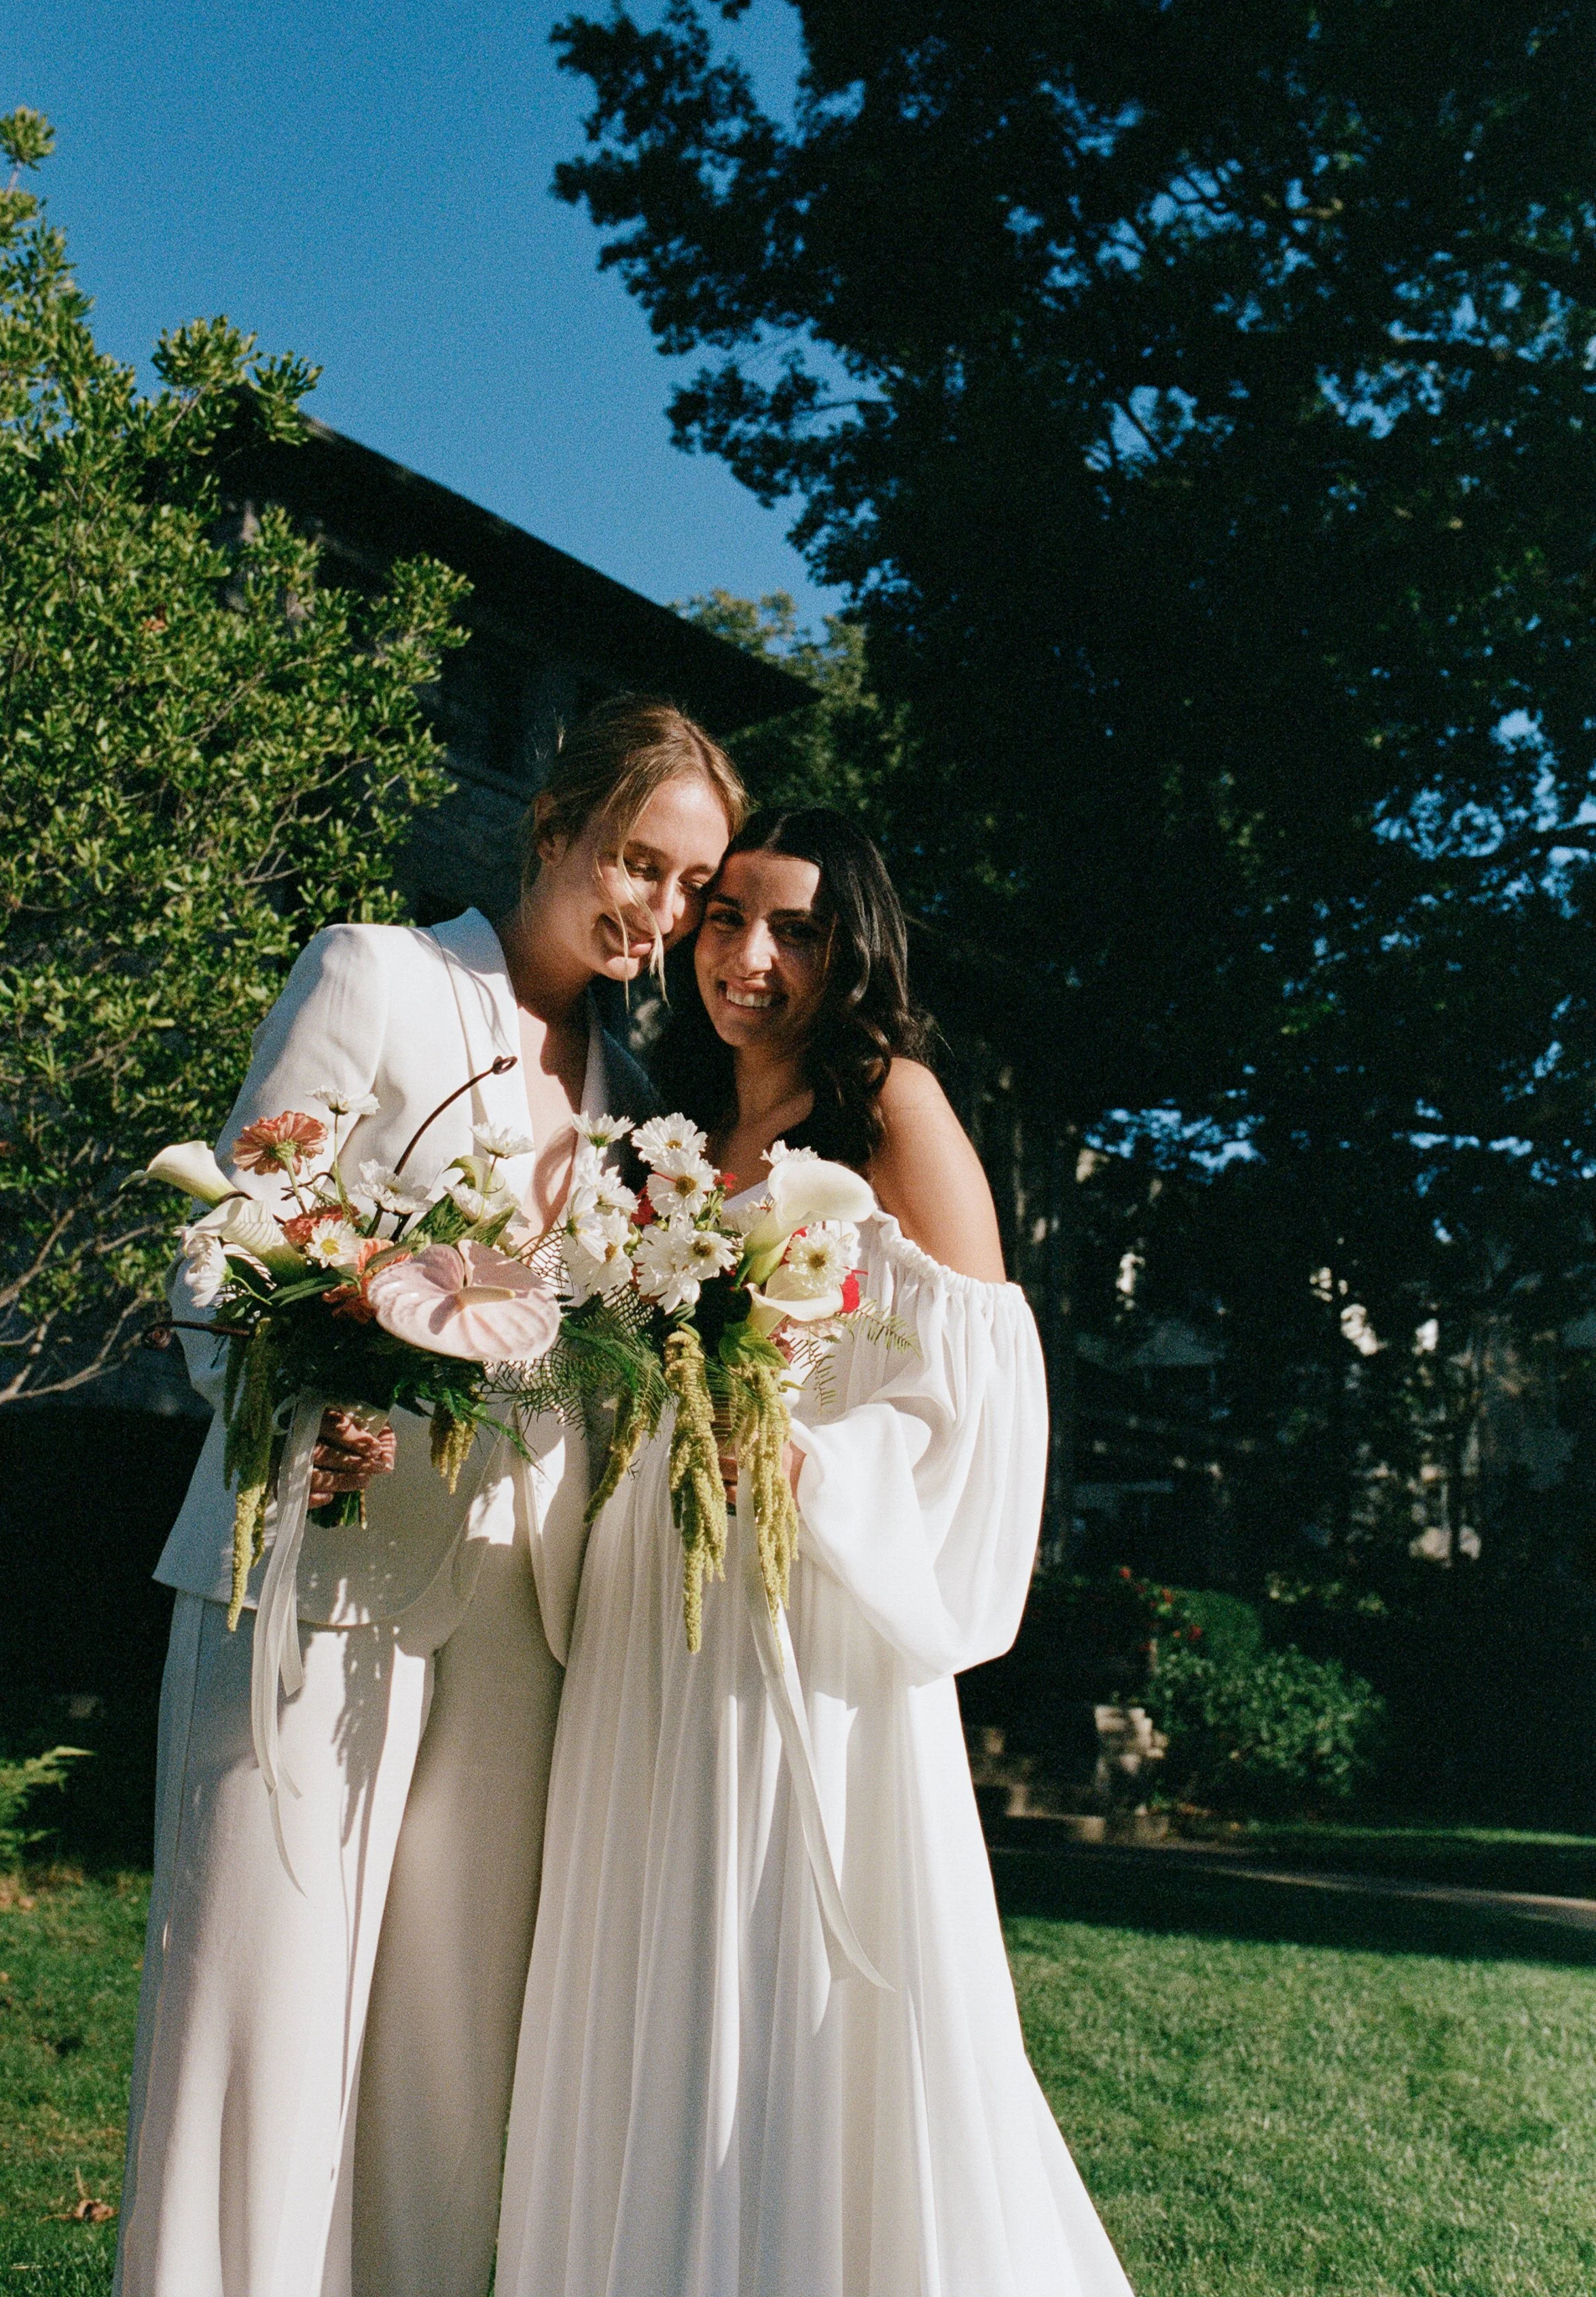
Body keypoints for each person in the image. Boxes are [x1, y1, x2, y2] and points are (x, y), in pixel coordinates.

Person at [114, 699, 747, 2297]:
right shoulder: (376, 973)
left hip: (525, 1617)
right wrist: (305, 1392)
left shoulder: (633, 1100)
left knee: (455, 2063)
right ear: (552, 828)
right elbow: (238, 1229)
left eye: (689, 889)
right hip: (315, 1562)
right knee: (254, 2021)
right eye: (636, 863)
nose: (660, 915)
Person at [495, 806, 1135, 2296]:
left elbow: (981, 1394)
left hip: (807, 1606)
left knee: (785, 1961)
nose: (749, 957)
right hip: (652, 1601)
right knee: (645, 1954)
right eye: (723, 919)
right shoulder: (661, 1127)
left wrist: (807, 1461)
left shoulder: (889, 1103)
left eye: (793, 928)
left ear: (852, 949)